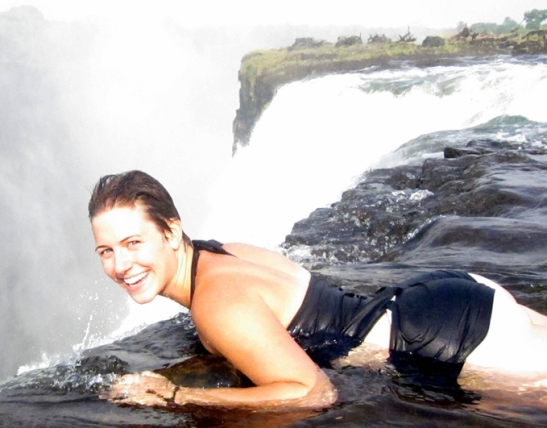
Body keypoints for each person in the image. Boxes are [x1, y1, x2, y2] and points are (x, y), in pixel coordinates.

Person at [88, 170, 547, 410]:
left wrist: (174, 395)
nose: (121, 265)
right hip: (441, 297)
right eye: (106, 251)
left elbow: (312, 392)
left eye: (133, 243)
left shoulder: (216, 302)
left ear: (170, 232)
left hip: (445, 338)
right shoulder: (227, 252)